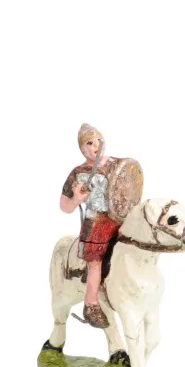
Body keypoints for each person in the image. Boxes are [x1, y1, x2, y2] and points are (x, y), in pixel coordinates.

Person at [59, 123, 120, 329]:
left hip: (119, 218)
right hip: (95, 221)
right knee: (95, 262)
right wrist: (76, 198)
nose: (96, 146)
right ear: (81, 148)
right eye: (90, 143)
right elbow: (65, 207)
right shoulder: (79, 172)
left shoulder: (117, 165)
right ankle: (91, 303)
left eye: (99, 141)